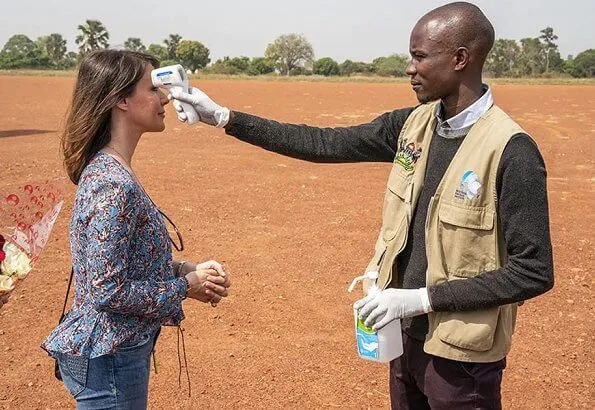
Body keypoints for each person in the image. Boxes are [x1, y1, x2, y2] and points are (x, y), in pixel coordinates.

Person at [171, 2, 554, 409]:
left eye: (420, 56)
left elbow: (533, 271)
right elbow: (323, 143)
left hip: (461, 358)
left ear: (461, 59)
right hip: (402, 338)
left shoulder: (511, 150)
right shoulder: (412, 126)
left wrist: (422, 299)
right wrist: (224, 118)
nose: (410, 67)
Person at [42, 50, 231, 409]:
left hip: (113, 353)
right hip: (109, 357)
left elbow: (122, 266)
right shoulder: (112, 183)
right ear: (121, 101)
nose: (164, 98)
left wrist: (184, 269)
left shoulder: (110, 170)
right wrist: (184, 287)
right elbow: (106, 290)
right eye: (152, 88)